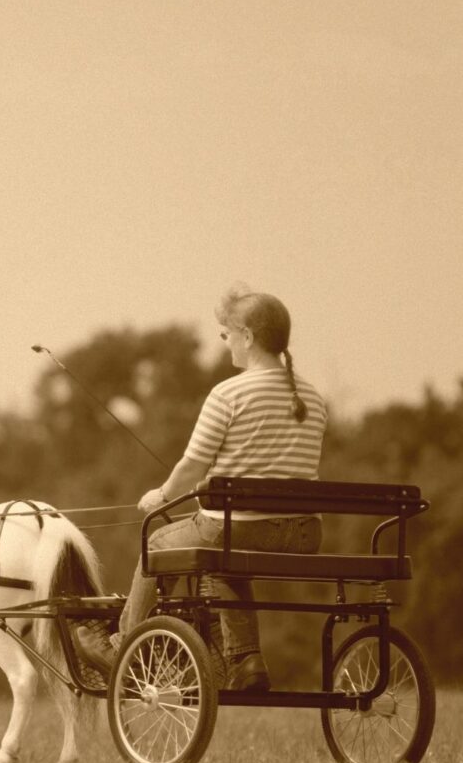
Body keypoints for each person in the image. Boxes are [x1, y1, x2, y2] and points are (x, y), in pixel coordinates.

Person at [75, 284, 328, 690]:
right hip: (304, 534)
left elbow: (192, 464)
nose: (225, 343)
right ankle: (246, 661)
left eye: (227, 334)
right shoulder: (312, 397)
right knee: (226, 557)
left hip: (238, 527)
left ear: (248, 336)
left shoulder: (229, 394)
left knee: (157, 542)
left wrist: (161, 496)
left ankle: (123, 646)